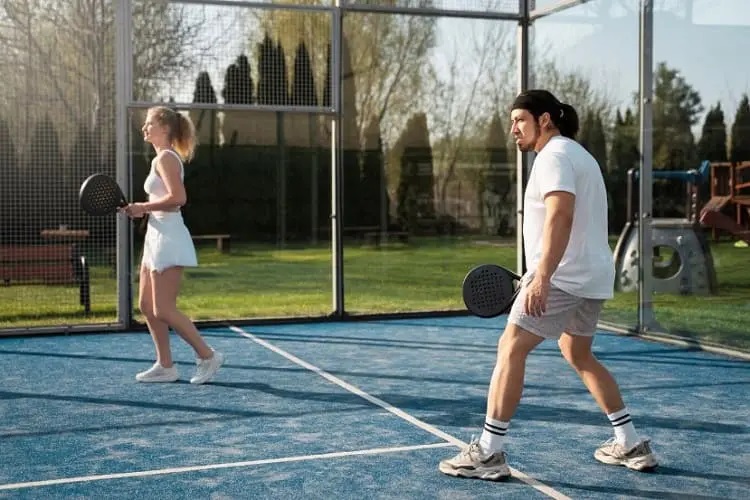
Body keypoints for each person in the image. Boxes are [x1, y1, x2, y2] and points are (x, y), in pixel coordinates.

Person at [439, 90, 658, 481]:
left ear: (544, 120)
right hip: (592, 276)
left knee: (510, 347)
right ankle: (629, 441)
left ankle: (488, 452)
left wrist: (543, 275)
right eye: (511, 122)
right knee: (578, 353)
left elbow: (561, 215)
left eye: (519, 120)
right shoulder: (579, 154)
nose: (513, 130)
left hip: (562, 276)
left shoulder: (553, 156)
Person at [122, 105, 224, 385]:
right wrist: (142, 210)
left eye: (149, 123)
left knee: (164, 309)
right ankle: (165, 366)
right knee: (146, 305)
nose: (144, 128)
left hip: (168, 235)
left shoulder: (165, 158)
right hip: (155, 236)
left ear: (164, 129)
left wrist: (143, 206)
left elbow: (178, 198)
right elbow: (163, 200)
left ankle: (207, 355)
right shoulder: (161, 159)